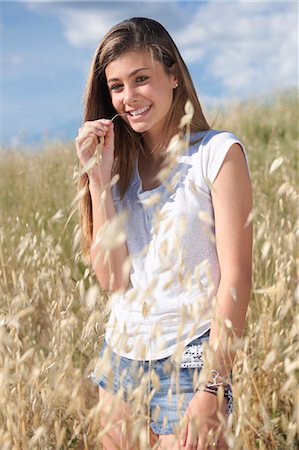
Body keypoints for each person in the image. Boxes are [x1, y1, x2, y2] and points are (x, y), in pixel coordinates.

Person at [75, 17, 252, 450]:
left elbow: (237, 278)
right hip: (121, 360)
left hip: (191, 362)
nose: (128, 97)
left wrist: (213, 387)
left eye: (141, 79)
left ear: (173, 75)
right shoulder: (117, 168)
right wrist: (98, 181)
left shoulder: (217, 154)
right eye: (116, 86)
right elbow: (113, 280)